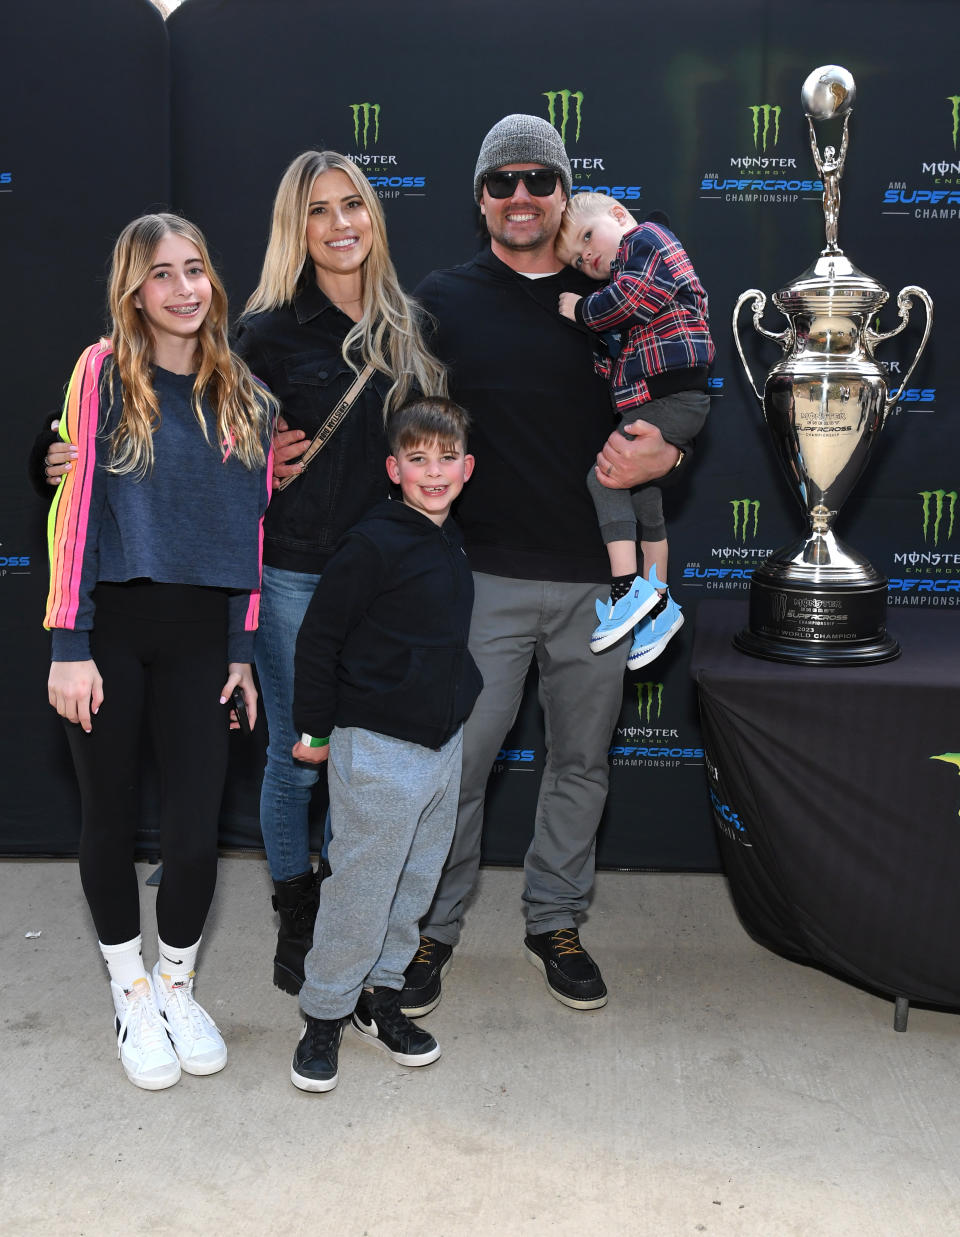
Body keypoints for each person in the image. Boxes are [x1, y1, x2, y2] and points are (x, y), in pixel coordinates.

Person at [399, 115, 696, 1017]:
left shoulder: (617, 285)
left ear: (567, 192)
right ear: (480, 197)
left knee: (580, 764)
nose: (521, 197)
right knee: (458, 767)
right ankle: (431, 929)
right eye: (503, 182)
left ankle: (556, 921)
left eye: (539, 180)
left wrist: (671, 454)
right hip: (478, 575)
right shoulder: (441, 298)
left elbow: (686, 381)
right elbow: (402, 427)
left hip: (599, 587)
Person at [44, 213, 274, 1090]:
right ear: (133, 291)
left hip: (202, 642)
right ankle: (129, 989)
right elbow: (74, 516)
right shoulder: (102, 372)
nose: (183, 289)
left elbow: (250, 535)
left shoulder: (247, 394)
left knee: (193, 830)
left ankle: (176, 985)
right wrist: (70, 641)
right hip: (107, 633)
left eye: (195, 270)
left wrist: (243, 651)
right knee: (107, 814)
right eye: (162, 274)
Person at [225, 151, 448, 994]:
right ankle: (297, 910)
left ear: (373, 217)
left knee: (372, 759)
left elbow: (437, 449)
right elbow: (212, 454)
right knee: (297, 755)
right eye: (319, 210)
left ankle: (361, 908)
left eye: (352, 204)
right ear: (298, 228)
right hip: (297, 577)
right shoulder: (267, 332)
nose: (340, 223)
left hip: (390, 583)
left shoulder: (413, 326)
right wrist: (257, 464)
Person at [287, 398, 481, 1092]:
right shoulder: (372, 543)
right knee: (362, 887)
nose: (435, 471)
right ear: (394, 468)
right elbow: (319, 638)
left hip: (439, 744)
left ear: (468, 467)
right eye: (419, 459)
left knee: (416, 879)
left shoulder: (451, 536)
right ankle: (324, 1011)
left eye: (447, 458)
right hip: (376, 743)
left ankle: (380, 994)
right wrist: (313, 728)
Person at [556, 191, 714, 669]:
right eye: (580, 261)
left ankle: (627, 592)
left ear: (620, 215)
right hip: (664, 400)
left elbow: (631, 300)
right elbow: (619, 355)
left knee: (602, 478)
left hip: (672, 396)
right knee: (643, 496)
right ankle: (660, 606)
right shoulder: (633, 269)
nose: (588, 257)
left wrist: (579, 311)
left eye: (587, 237)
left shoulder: (645, 242)